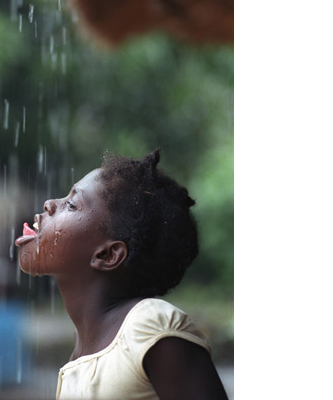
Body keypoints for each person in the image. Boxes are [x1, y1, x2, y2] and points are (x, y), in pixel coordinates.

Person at [14, 150, 229, 400]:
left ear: (107, 255)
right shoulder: (84, 345)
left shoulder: (150, 327)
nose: (49, 204)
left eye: (71, 204)